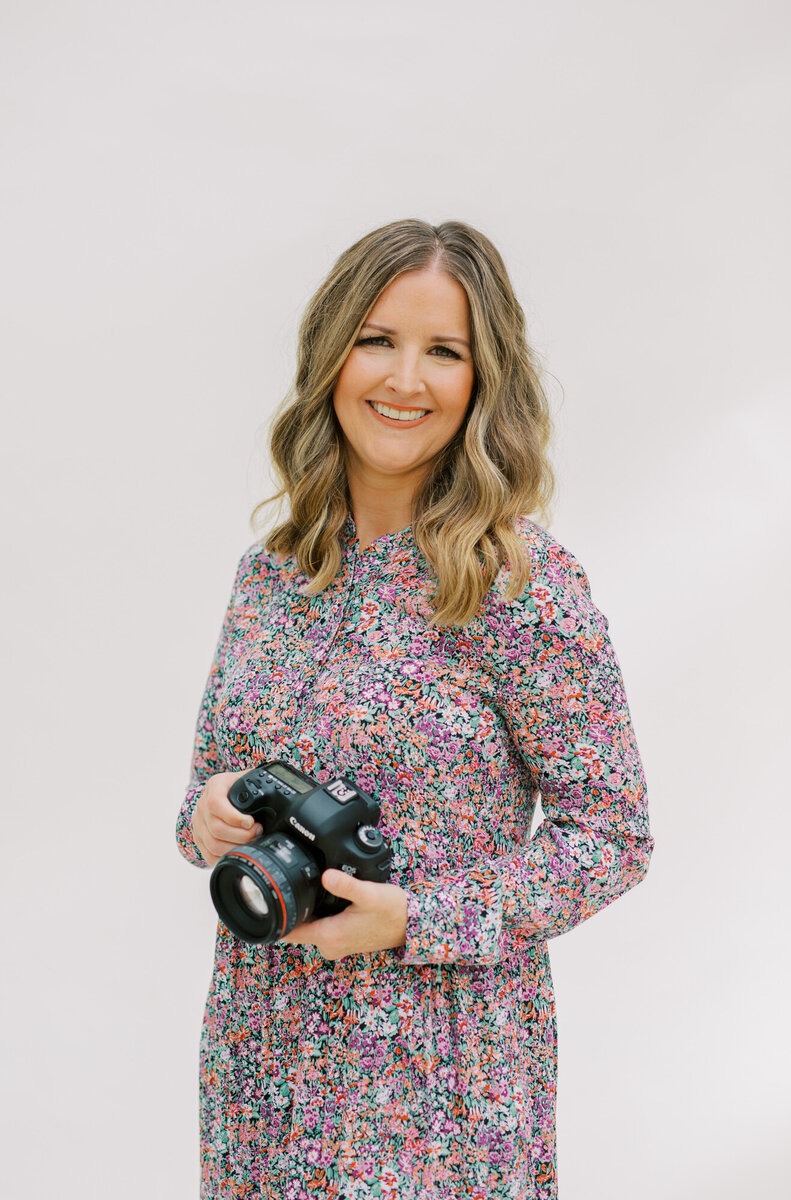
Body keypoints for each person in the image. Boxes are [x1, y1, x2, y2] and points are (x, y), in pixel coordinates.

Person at [176, 218, 654, 1200]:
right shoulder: (270, 576)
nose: (404, 379)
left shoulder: (517, 585)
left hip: (440, 1075)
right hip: (263, 1051)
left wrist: (415, 918)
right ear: (331, 355)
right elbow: (201, 800)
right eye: (377, 340)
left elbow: (610, 835)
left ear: (483, 384)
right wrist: (210, 812)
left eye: (443, 351)